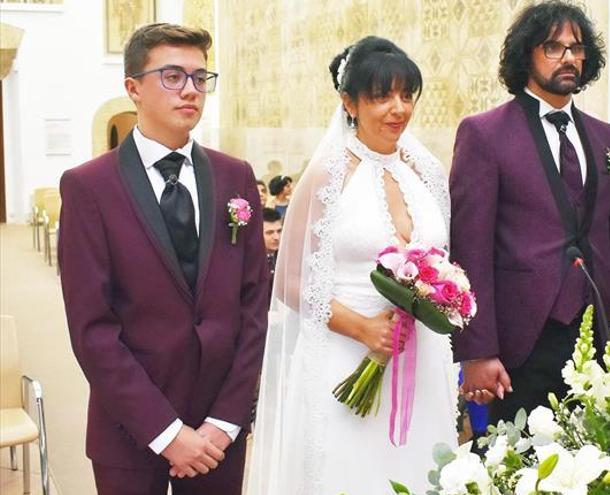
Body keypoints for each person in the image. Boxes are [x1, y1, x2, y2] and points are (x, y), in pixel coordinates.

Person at [57, 23, 269, 494]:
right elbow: (92, 328)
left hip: (220, 432)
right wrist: (167, 433)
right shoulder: (89, 186)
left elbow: (254, 307)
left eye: (200, 77)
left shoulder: (235, 177)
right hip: (131, 429)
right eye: (172, 76)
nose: (190, 90)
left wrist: (227, 420)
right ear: (133, 87)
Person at [247, 36, 456, 494]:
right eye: (381, 96)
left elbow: (442, 264)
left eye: (406, 95)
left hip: (419, 361)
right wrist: (362, 328)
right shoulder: (328, 174)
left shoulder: (426, 173)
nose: (397, 108)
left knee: (419, 472)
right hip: (343, 355)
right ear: (349, 102)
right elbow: (289, 278)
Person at [451, 0, 610, 425]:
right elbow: (470, 250)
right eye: (553, 47)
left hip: (600, 331)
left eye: (576, 47)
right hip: (523, 339)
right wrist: (477, 350)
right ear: (526, 53)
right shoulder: (485, 134)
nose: (569, 57)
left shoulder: (607, 137)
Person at [262, 207, 282, 297]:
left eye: (279, 231)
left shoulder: (286, 258)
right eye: (269, 232)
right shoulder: (250, 262)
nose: (276, 237)